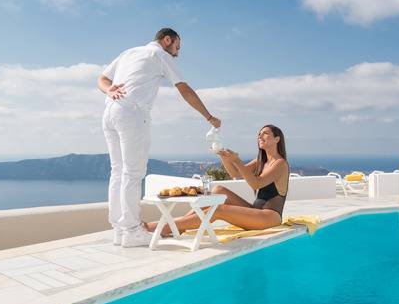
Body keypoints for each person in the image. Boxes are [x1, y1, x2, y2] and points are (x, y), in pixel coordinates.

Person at [98, 27, 221, 247]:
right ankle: (132, 231)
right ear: (167, 40)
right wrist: (208, 116)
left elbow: (102, 78)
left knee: (118, 171)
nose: (177, 53)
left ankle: (119, 230)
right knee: (132, 173)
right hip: (132, 113)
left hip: (110, 112)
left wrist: (108, 90)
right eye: (177, 47)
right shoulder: (159, 55)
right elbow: (184, 89)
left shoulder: (129, 52)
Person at [145, 125, 289, 235]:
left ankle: (165, 227)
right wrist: (222, 156)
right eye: (259, 134)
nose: (260, 136)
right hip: (255, 211)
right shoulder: (260, 161)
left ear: (277, 139)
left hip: (269, 218)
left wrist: (237, 160)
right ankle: (179, 225)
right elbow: (235, 173)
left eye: (265, 133)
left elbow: (256, 183)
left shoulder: (280, 164)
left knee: (218, 210)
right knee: (219, 190)